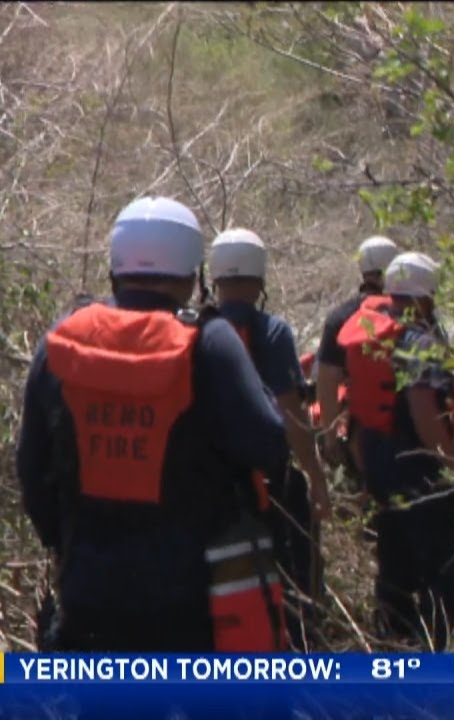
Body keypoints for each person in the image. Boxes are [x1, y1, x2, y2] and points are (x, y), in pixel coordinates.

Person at [16, 196, 292, 652]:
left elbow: (31, 468)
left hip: (88, 595)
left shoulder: (61, 340)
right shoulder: (210, 340)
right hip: (192, 601)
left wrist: (67, 542)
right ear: (191, 272)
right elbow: (267, 444)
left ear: (115, 265)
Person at [337, 251, 454, 651]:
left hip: (384, 480)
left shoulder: (372, 337)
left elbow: (355, 414)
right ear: (426, 296)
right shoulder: (420, 343)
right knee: (446, 579)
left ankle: (389, 662)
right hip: (424, 483)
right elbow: (426, 415)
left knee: (395, 581)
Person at [206, 228, 331, 650]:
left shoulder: (195, 330)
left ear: (214, 277)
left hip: (209, 483)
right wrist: (315, 477)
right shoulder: (274, 332)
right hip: (270, 483)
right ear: (260, 280)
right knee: (296, 574)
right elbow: (293, 416)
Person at [315, 235, 401, 509]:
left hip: (362, 434)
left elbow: (326, 381)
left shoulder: (341, 316)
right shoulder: (409, 312)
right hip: (408, 429)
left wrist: (331, 438)